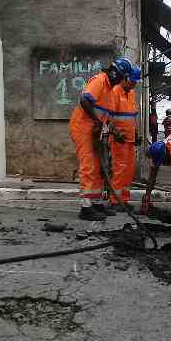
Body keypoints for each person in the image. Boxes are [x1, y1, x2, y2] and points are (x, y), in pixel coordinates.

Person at [69, 57, 136, 221]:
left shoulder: (111, 90)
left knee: (99, 167)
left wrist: (113, 131)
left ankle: (96, 203)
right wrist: (97, 122)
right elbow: (85, 100)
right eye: (121, 77)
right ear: (116, 74)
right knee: (89, 165)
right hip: (82, 127)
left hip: (94, 129)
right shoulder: (100, 80)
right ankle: (86, 207)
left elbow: (106, 117)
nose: (121, 80)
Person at [108, 65, 141, 210]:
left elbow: (133, 116)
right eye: (132, 81)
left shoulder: (132, 93)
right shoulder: (114, 92)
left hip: (130, 139)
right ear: (126, 78)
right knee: (119, 170)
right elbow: (107, 117)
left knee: (129, 170)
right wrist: (115, 133)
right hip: (119, 139)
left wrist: (136, 133)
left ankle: (124, 199)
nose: (134, 84)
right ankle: (115, 201)